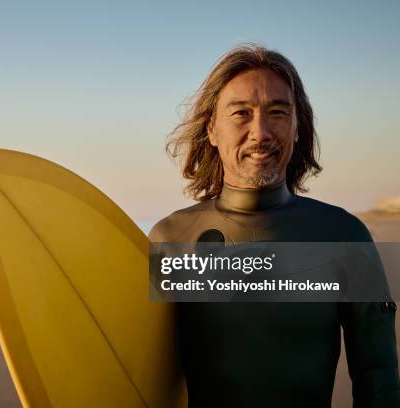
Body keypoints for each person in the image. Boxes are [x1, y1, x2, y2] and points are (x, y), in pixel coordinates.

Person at [148, 44, 400, 407]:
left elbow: (380, 380)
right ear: (212, 130)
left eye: (278, 112)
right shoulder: (171, 240)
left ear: (298, 128)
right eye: (241, 113)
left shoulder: (344, 236)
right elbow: (138, 372)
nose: (260, 132)